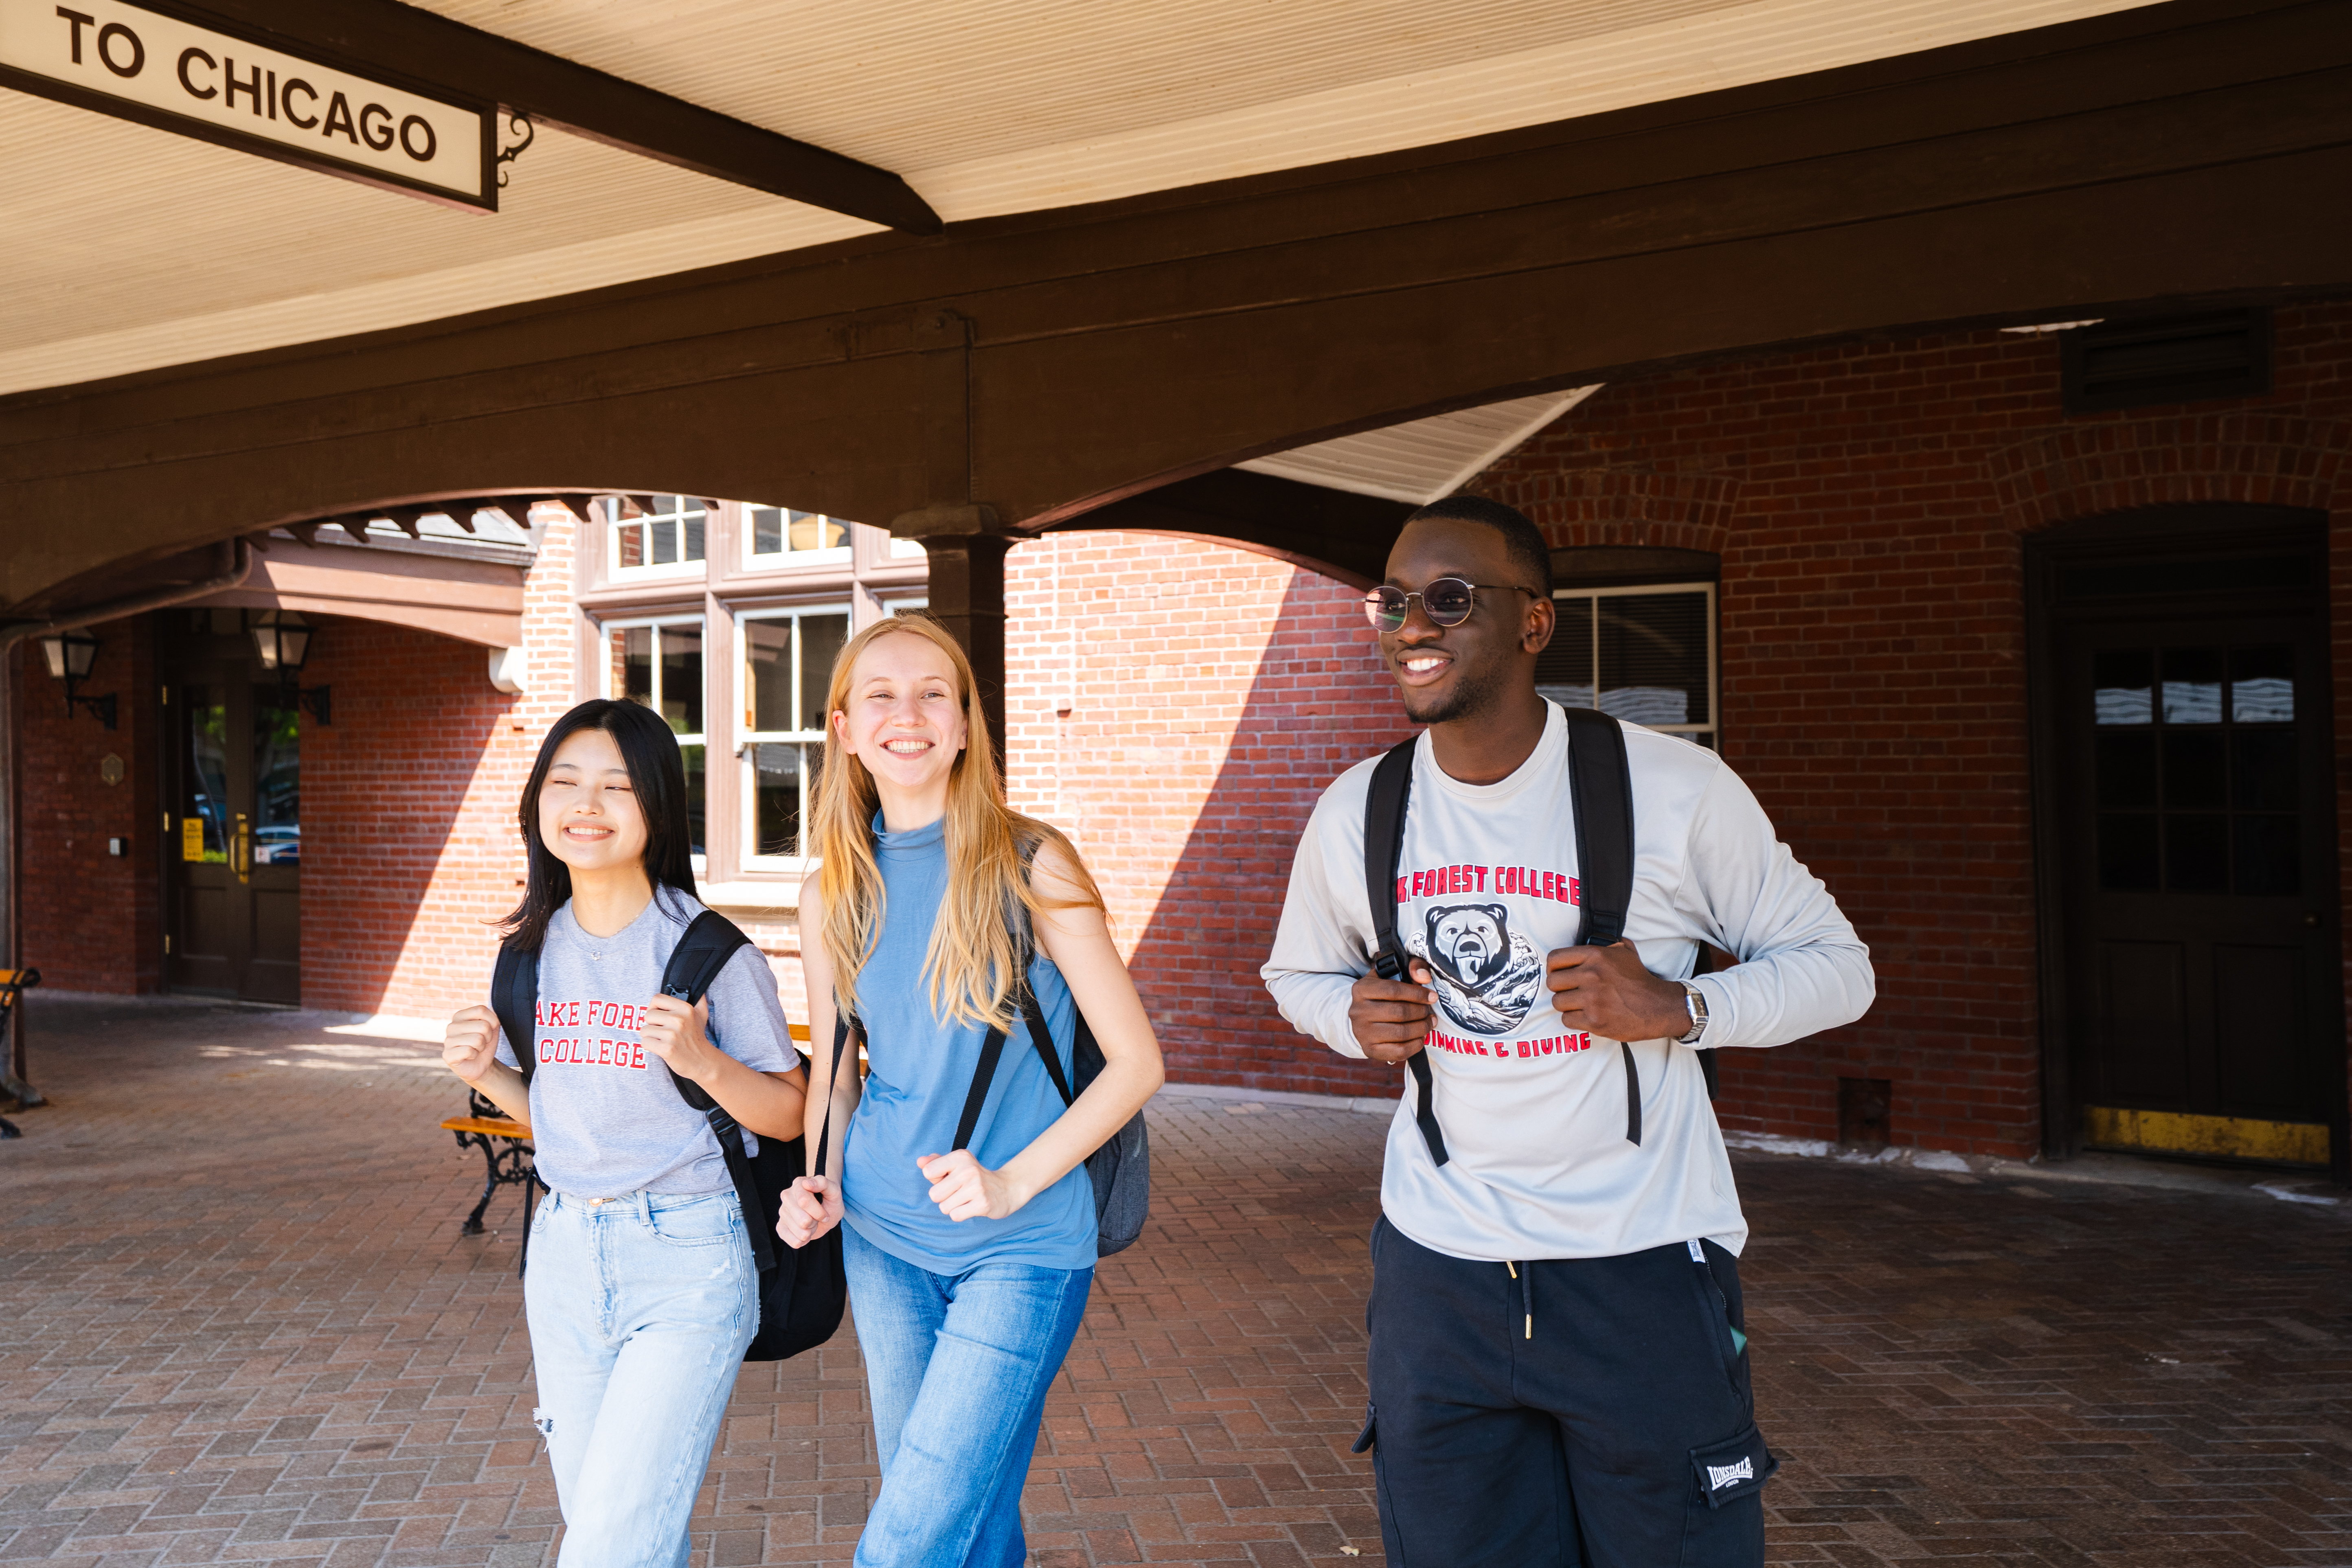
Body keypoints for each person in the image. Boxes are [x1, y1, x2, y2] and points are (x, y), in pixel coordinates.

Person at [1262, 496, 1876, 1567]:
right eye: (1393, 601)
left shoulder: (1673, 790)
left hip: (1636, 1268)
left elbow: (1842, 970)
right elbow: (1296, 972)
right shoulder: (1358, 809)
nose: (1412, 625)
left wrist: (1684, 1007)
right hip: (1439, 1273)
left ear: (1533, 623)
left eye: (1449, 599)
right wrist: (1350, 1017)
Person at [773, 614, 1165, 1568]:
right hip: (883, 1241)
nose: (905, 715)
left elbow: (1137, 1064)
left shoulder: (1035, 866)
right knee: (969, 1513)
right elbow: (836, 1070)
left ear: (962, 726)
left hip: (1023, 1246)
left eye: (931, 695)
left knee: (911, 1533)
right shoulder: (832, 892)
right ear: (844, 730)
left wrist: (1011, 1184)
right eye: (880, 696)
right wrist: (818, 1178)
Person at [440, 699, 807, 1568]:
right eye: (565, 781)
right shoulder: (529, 953)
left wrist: (705, 1062)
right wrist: (485, 1077)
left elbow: (790, 1112)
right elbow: (564, 1118)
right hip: (564, 1256)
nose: (586, 804)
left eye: (614, 785)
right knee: (624, 1526)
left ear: (655, 807)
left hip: (688, 1258)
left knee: (608, 1541)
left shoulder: (709, 951)